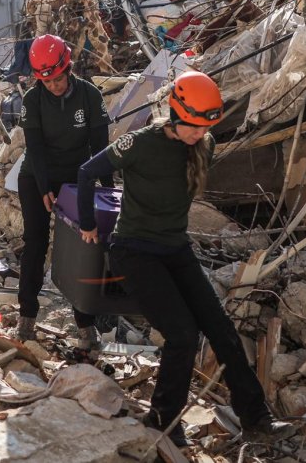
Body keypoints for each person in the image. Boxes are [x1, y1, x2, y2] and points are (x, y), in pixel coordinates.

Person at [76, 71, 292, 445]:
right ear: (176, 114)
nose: (199, 134)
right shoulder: (140, 143)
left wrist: (199, 136)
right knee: (182, 335)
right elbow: (87, 172)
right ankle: (163, 420)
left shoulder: (202, 145)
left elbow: (195, 148)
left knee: (222, 330)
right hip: (135, 250)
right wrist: (88, 223)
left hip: (175, 249)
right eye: (193, 127)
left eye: (205, 127)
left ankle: (257, 419)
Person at [15, 35, 110, 349]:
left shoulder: (89, 95)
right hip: (37, 176)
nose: (53, 85)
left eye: (57, 78)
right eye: (46, 81)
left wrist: (108, 193)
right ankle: (27, 316)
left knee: (82, 247)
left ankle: (85, 325)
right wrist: (44, 189)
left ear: (68, 68)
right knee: (35, 243)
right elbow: (36, 149)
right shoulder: (33, 99)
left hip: (77, 178)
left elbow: (100, 149)